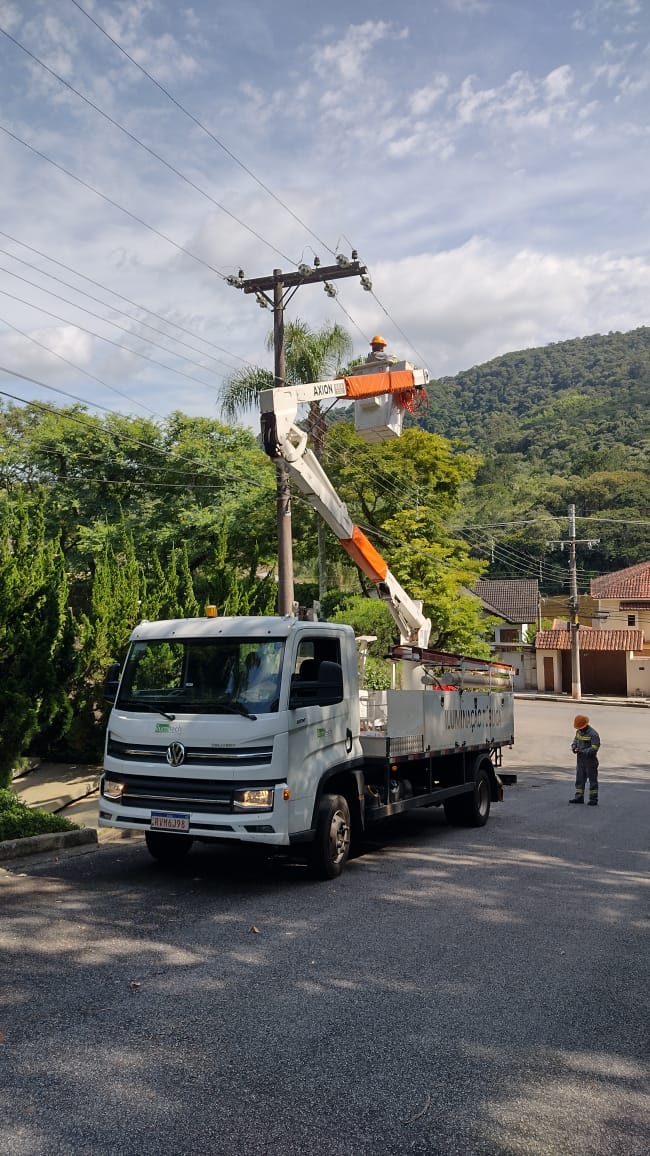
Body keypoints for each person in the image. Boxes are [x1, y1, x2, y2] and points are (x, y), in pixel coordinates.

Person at [569, 714, 601, 805]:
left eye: (581, 727)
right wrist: (574, 747)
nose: (579, 729)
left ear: (585, 725)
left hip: (590, 761)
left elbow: (594, 748)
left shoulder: (593, 734)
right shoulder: (578, 732)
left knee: (592, 780)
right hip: (580, 761)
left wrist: (583, 751)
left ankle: (593, 799)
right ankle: (579, 797)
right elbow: (575, 741)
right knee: (580, 779)